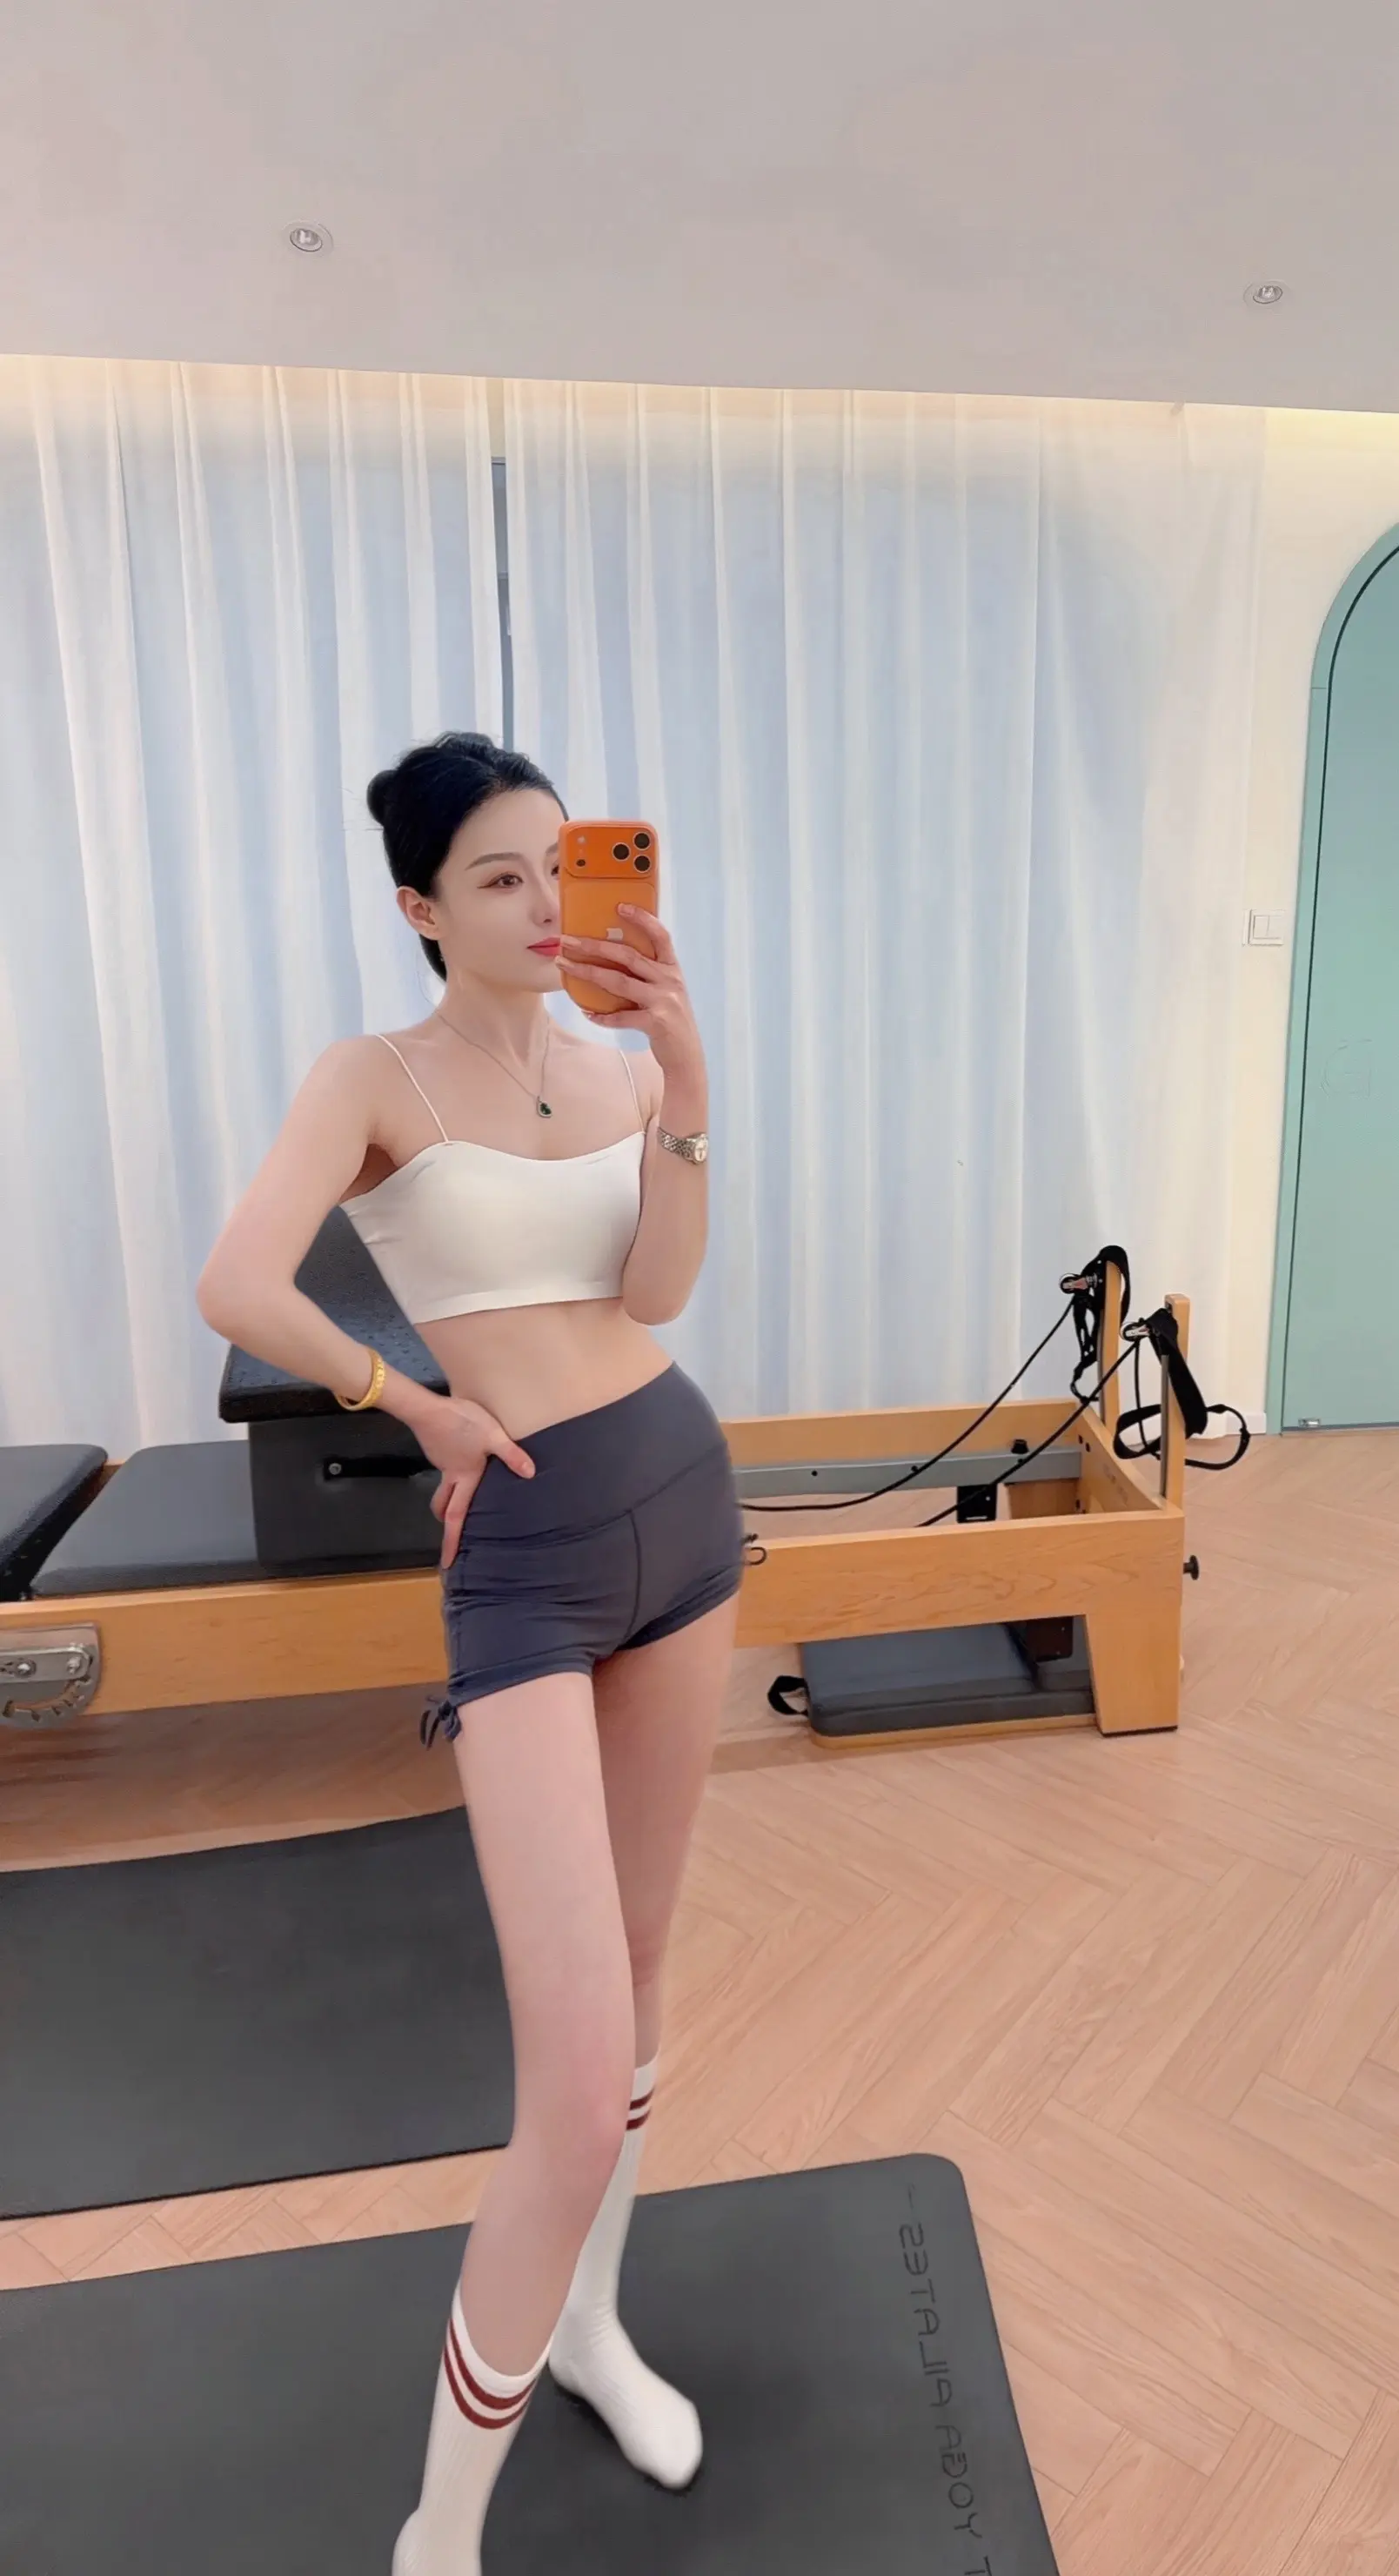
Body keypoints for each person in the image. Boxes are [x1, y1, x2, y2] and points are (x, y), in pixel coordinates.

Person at [195, 733, 744, 2573]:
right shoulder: (375, 1075)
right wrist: (414, 1402)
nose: (540, 904)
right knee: (570, 2086)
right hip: (525, 1562)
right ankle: (441, 2532)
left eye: (555, 867)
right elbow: (237, 1282)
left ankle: (593, 2327)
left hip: (684, 1507)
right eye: (497, 878)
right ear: (421, 907)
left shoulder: (616, 1064)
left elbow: (657, 1290)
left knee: (644, 1983)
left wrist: (686, 1074)